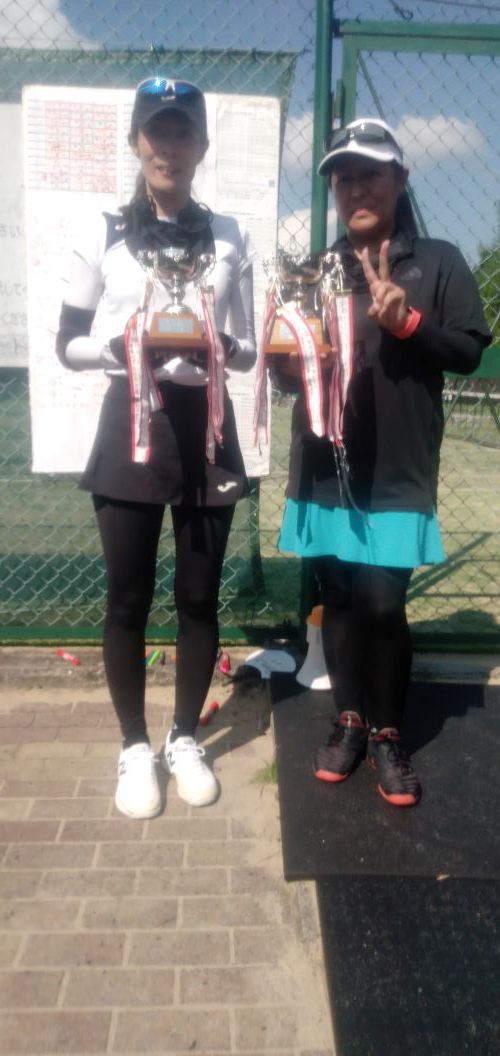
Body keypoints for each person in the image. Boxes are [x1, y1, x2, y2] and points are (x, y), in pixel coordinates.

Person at [274, 117, 491, 807]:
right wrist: (286, 362)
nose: (356, 187)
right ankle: (349, 720)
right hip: (324, 462)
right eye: (343, 177)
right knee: (338, 598)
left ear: (400, 179)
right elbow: (289, 371)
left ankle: (388, 730)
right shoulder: (318, 267)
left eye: (370, 172)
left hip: (398, 467)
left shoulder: (440, 261)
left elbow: (469, 350)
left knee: (383, 602)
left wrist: (408, 323)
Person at [56, 77, 256, 818]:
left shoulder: (231, 234)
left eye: (182, 132)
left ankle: (184, 737)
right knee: (128, 598)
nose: (169, 146)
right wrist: (119, 346)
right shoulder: (103, 229)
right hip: (131, 424)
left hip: (207, 425)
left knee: (198, 596)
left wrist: (220, 343)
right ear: (136, 141)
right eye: (156, 131)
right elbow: (66, 343)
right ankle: (135, 745)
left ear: (201, 146)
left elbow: (245, 351)